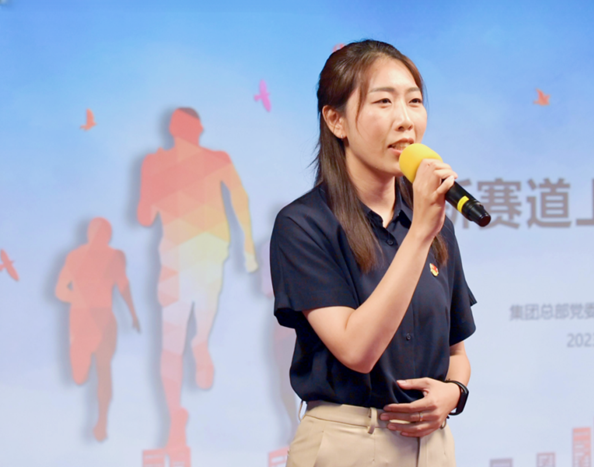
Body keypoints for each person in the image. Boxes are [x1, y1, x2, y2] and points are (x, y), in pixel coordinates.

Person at [270, 40, 476, 467]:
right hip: (347, 442)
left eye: (414, 101)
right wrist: (420, 234)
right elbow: (357, 349)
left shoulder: (434, 225)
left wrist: (454, 393)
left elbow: (456, 353)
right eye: (384, 102)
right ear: (336, 120)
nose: (405, 120)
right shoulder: (304, 225)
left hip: (433, 445)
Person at [137, 107, 258, 448]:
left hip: (202, 253)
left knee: (181, 333)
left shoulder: (212, 160)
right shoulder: (157, 163)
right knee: (174, 338)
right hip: (183, 255)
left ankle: (200, 344)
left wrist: (249, 246)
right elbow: (145, 215)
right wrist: (247, 246)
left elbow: (240, 199)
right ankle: (175, 414)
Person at [55, 217, 140, 442]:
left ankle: (101, 421)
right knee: (81, 376)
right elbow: (60, 290)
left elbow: (123, 286)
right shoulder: (75, 257)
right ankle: (84, 376)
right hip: (84, 320)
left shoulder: (113, 257)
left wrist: (133, 313)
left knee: (103, 370)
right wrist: (79, 298)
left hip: (102, 320)